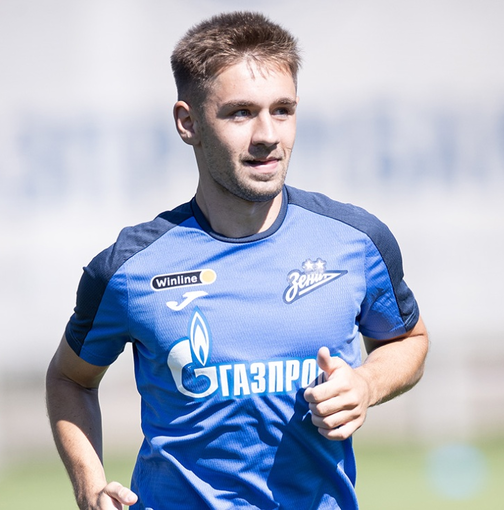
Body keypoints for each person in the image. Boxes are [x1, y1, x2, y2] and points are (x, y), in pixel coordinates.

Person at [46, 11, 429, 510]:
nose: (268, 134)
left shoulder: (356, 242)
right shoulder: (128, 268)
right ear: (188, 123)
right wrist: (90, 485)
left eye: (283, 110)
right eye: (241, 113)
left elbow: (408, 340)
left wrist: (367, 383)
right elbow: (70, 378)